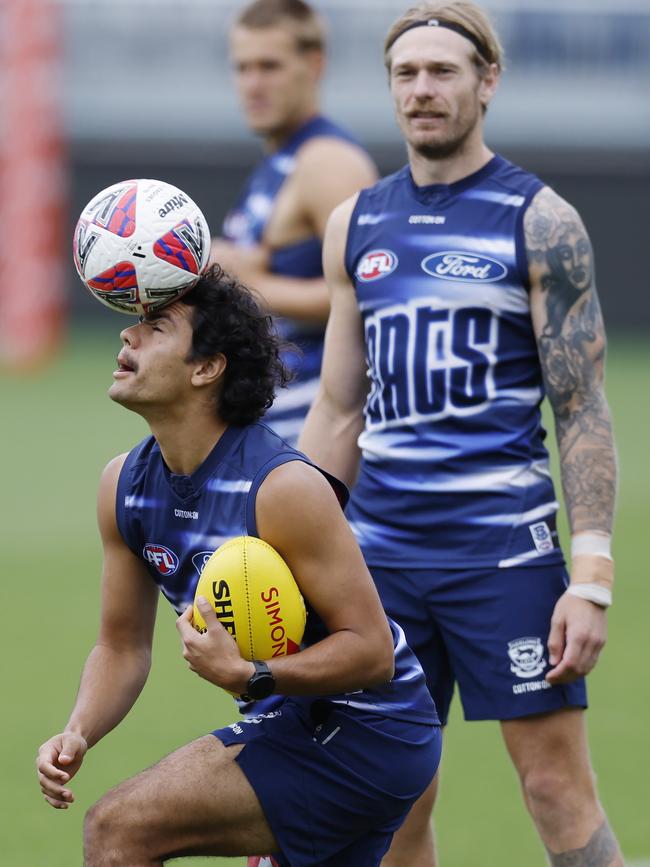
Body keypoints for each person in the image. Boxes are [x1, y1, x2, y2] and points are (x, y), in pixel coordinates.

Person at [298, 3, 622, 865]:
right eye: (406, 74)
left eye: (443, 71)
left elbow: (582, 405)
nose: (423, 90)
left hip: (503, 559)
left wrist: (590, 577)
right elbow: (337, 410)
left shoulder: (540, 222)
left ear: (488, 80)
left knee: (556, 789)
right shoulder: (356, 224)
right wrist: (295, 547)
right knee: (392, 798)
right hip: (380, 565)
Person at [36, 265, 441, 867]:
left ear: (207, 367)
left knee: (118, 830)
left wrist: (254, 676)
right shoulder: (122, 486)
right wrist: (79, 730)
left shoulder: (282, 487)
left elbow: (373, 650)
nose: (128, 337)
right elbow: (121, 647)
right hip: (294, 722)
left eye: (156, 327)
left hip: (366, 731)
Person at [210, 0, 377, 445]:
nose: (252, 84)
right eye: (242, 67)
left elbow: (376, 294)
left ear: (313, 64)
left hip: (314, 435)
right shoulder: (277, 162)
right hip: (273, 426)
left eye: (270, 66)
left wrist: (246, 282)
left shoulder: (329, 161)